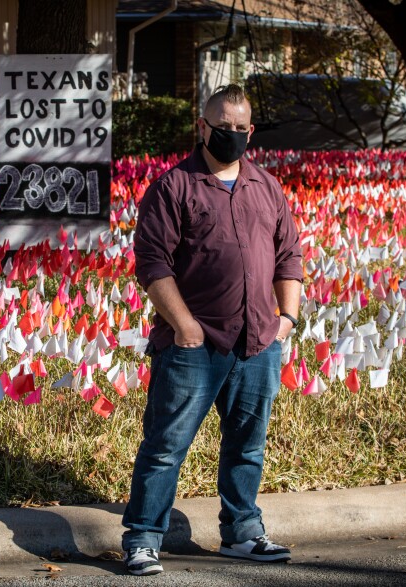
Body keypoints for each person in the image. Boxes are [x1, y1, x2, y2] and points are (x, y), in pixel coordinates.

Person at [121, 84, 303, 576]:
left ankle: (243, 532)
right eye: (225, 128)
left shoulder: (266, 186)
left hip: (259, 341)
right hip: (193, 345)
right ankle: (142, 538)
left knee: (248, 444)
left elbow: (289, 256)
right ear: (203, 127)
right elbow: (153, 262)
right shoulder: (173, 186)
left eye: (243, 129)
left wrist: (286, 319)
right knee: (165, 445)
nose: (235, 136)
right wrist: (183, 326)